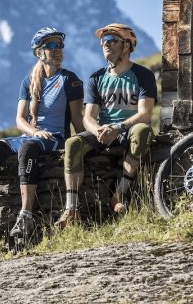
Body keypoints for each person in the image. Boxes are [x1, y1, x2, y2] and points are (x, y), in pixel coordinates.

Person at [0, 26, 84, 238]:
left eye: (60, 45)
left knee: (28, 149)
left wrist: (85, 143)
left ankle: (26, 215)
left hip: (55, 138)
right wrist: (35, 131)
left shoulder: (69, 80)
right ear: (39, 52)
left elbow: (77, 120)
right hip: (33, 135)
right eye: (51, 45)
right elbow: (20, 119)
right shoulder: (28, 81)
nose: (58, 49)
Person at [56, 23, 157, 229]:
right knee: (73, 144)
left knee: (143, 132)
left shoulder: (143, 75)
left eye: (112, 41)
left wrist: (118, 128)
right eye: (103, 41)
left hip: (127, 129)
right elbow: (88, 117)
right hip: (102, 131)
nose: (106, 45)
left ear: (127, 46)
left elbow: (145, 114)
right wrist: (98, 130)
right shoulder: (96, 78)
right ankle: (71, 209)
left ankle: (119, 194)